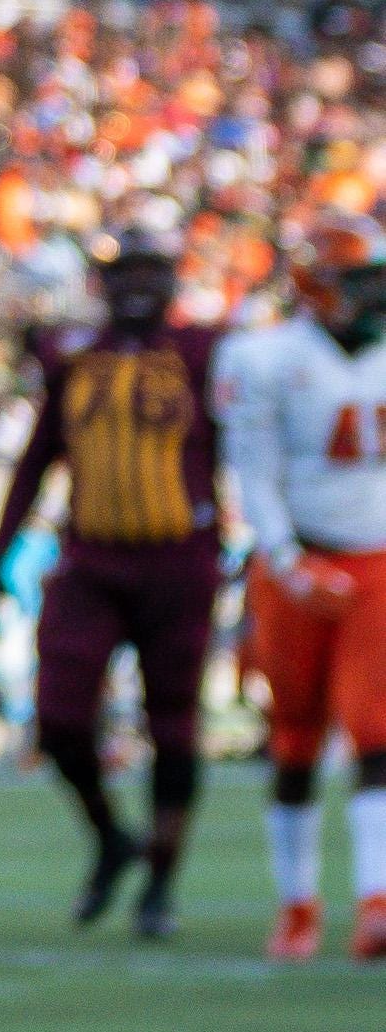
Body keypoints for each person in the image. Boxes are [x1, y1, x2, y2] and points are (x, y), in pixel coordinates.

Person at [0, 211, 220, 938]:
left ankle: (161, 884)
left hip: (179, 560)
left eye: (150, 272)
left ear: (173, 280)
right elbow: (36, 460)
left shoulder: (206, 352)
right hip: (92, 560)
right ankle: (112, 837)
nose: (137, 287)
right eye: (124, 274)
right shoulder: (71, 355)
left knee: (173, 724)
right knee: (58, 717)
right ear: (102, 283)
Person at [213, 212, 386, 962]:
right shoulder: (264, 357)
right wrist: (286, 560)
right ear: (318, 286)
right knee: (294, 737)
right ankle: (297, 904)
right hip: (297, 561)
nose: (375, 296)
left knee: (379, 733)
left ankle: (376, 902)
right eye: (361, 282)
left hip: (378, 562)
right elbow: (252, 471)